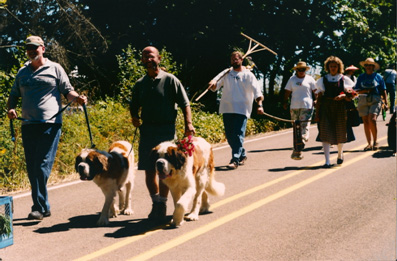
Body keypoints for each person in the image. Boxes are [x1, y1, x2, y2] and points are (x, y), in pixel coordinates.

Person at [6, 35, 87, 220]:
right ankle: (44, 206)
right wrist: (11, 108)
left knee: (41, 166)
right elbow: (13, 95)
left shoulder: (55, 68)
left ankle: (38, 207)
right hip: (28, 125)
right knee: (33, 167)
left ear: (43, 48)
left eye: (35, 47)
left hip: (50, 125)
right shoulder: (22, 72)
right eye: (28, 48)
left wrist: (78, 99)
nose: (31, 51)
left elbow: (67, 92)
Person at [129, 46, 195, 223]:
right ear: (142, 61)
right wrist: (134, 117)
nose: (148, 59)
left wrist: (188, 124)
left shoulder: (170, 80)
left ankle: (164, 203)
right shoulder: (140, 84)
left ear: (159, 58)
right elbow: (133, 105)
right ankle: (156, 203)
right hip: (147, 130)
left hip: (166, 130)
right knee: (149, 170)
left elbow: (185, 104)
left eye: (151, 56)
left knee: (165, 170)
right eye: (145, 57)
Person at [208, 51, 264, 170]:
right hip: (227, 108)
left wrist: (259, 105)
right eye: (232, 59)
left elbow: (257, 91)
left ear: (241, 60)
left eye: (236, 59)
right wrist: (212, 84)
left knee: (238, 134)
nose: (234, 61)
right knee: (230, 136)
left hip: (242, 109)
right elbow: (215, 86)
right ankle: (242, 154)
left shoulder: (248, 75)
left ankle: (235, 159)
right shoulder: (227, 73)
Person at [315, 56, 355, 167]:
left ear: (339, 67)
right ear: (328, 67)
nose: (333, 68)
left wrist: (343, 95)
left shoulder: (344, 79)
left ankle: (339, 154)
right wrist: (317, 113)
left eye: (335, 66)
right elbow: (319, 98)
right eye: (331, 66)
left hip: (340, 107)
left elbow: (351, 95)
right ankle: (327, 161)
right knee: (325, 132)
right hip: (326, 108)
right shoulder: (322, 80)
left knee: (340, 131)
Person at [283, 61, 317, 160]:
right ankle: (296, 150)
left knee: (304, 126)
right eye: (299, 70)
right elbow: (287, 92)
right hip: (294, 106)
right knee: (295, 128)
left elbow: (316, 91)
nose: (301, 71)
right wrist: (285, 102)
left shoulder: (310, 79)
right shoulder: (292, 79)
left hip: (307, 106)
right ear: (296, 70)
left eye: (303, 70)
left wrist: (316, 100)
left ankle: (301, 143)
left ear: (306, 70)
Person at [354, 58, 388, 151]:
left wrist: (386, 102)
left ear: (373, 67)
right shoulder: (361, 77)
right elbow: (356, 90)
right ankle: (369, 143)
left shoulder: (378, 76)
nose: (368, 67)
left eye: (370, 65)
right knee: (365, 121)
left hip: (375, 99)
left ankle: (375, 141)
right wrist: (365, 91)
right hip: (363, 99)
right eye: (367, 65)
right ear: (365, 67)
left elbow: (383, 90)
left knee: (372, 119)